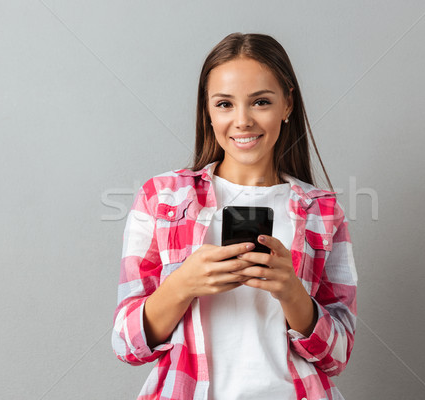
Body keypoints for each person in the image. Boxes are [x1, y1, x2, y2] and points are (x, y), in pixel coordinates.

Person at [111, 32, 357, 400]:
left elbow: (338, 356)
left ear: (287, 105)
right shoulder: (161, 198)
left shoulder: (322, 210)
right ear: (207, 111)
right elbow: (126, 344)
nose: (242, 121)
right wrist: (183, 285)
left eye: (260, 101)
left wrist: (292, 294)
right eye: (225, 104)